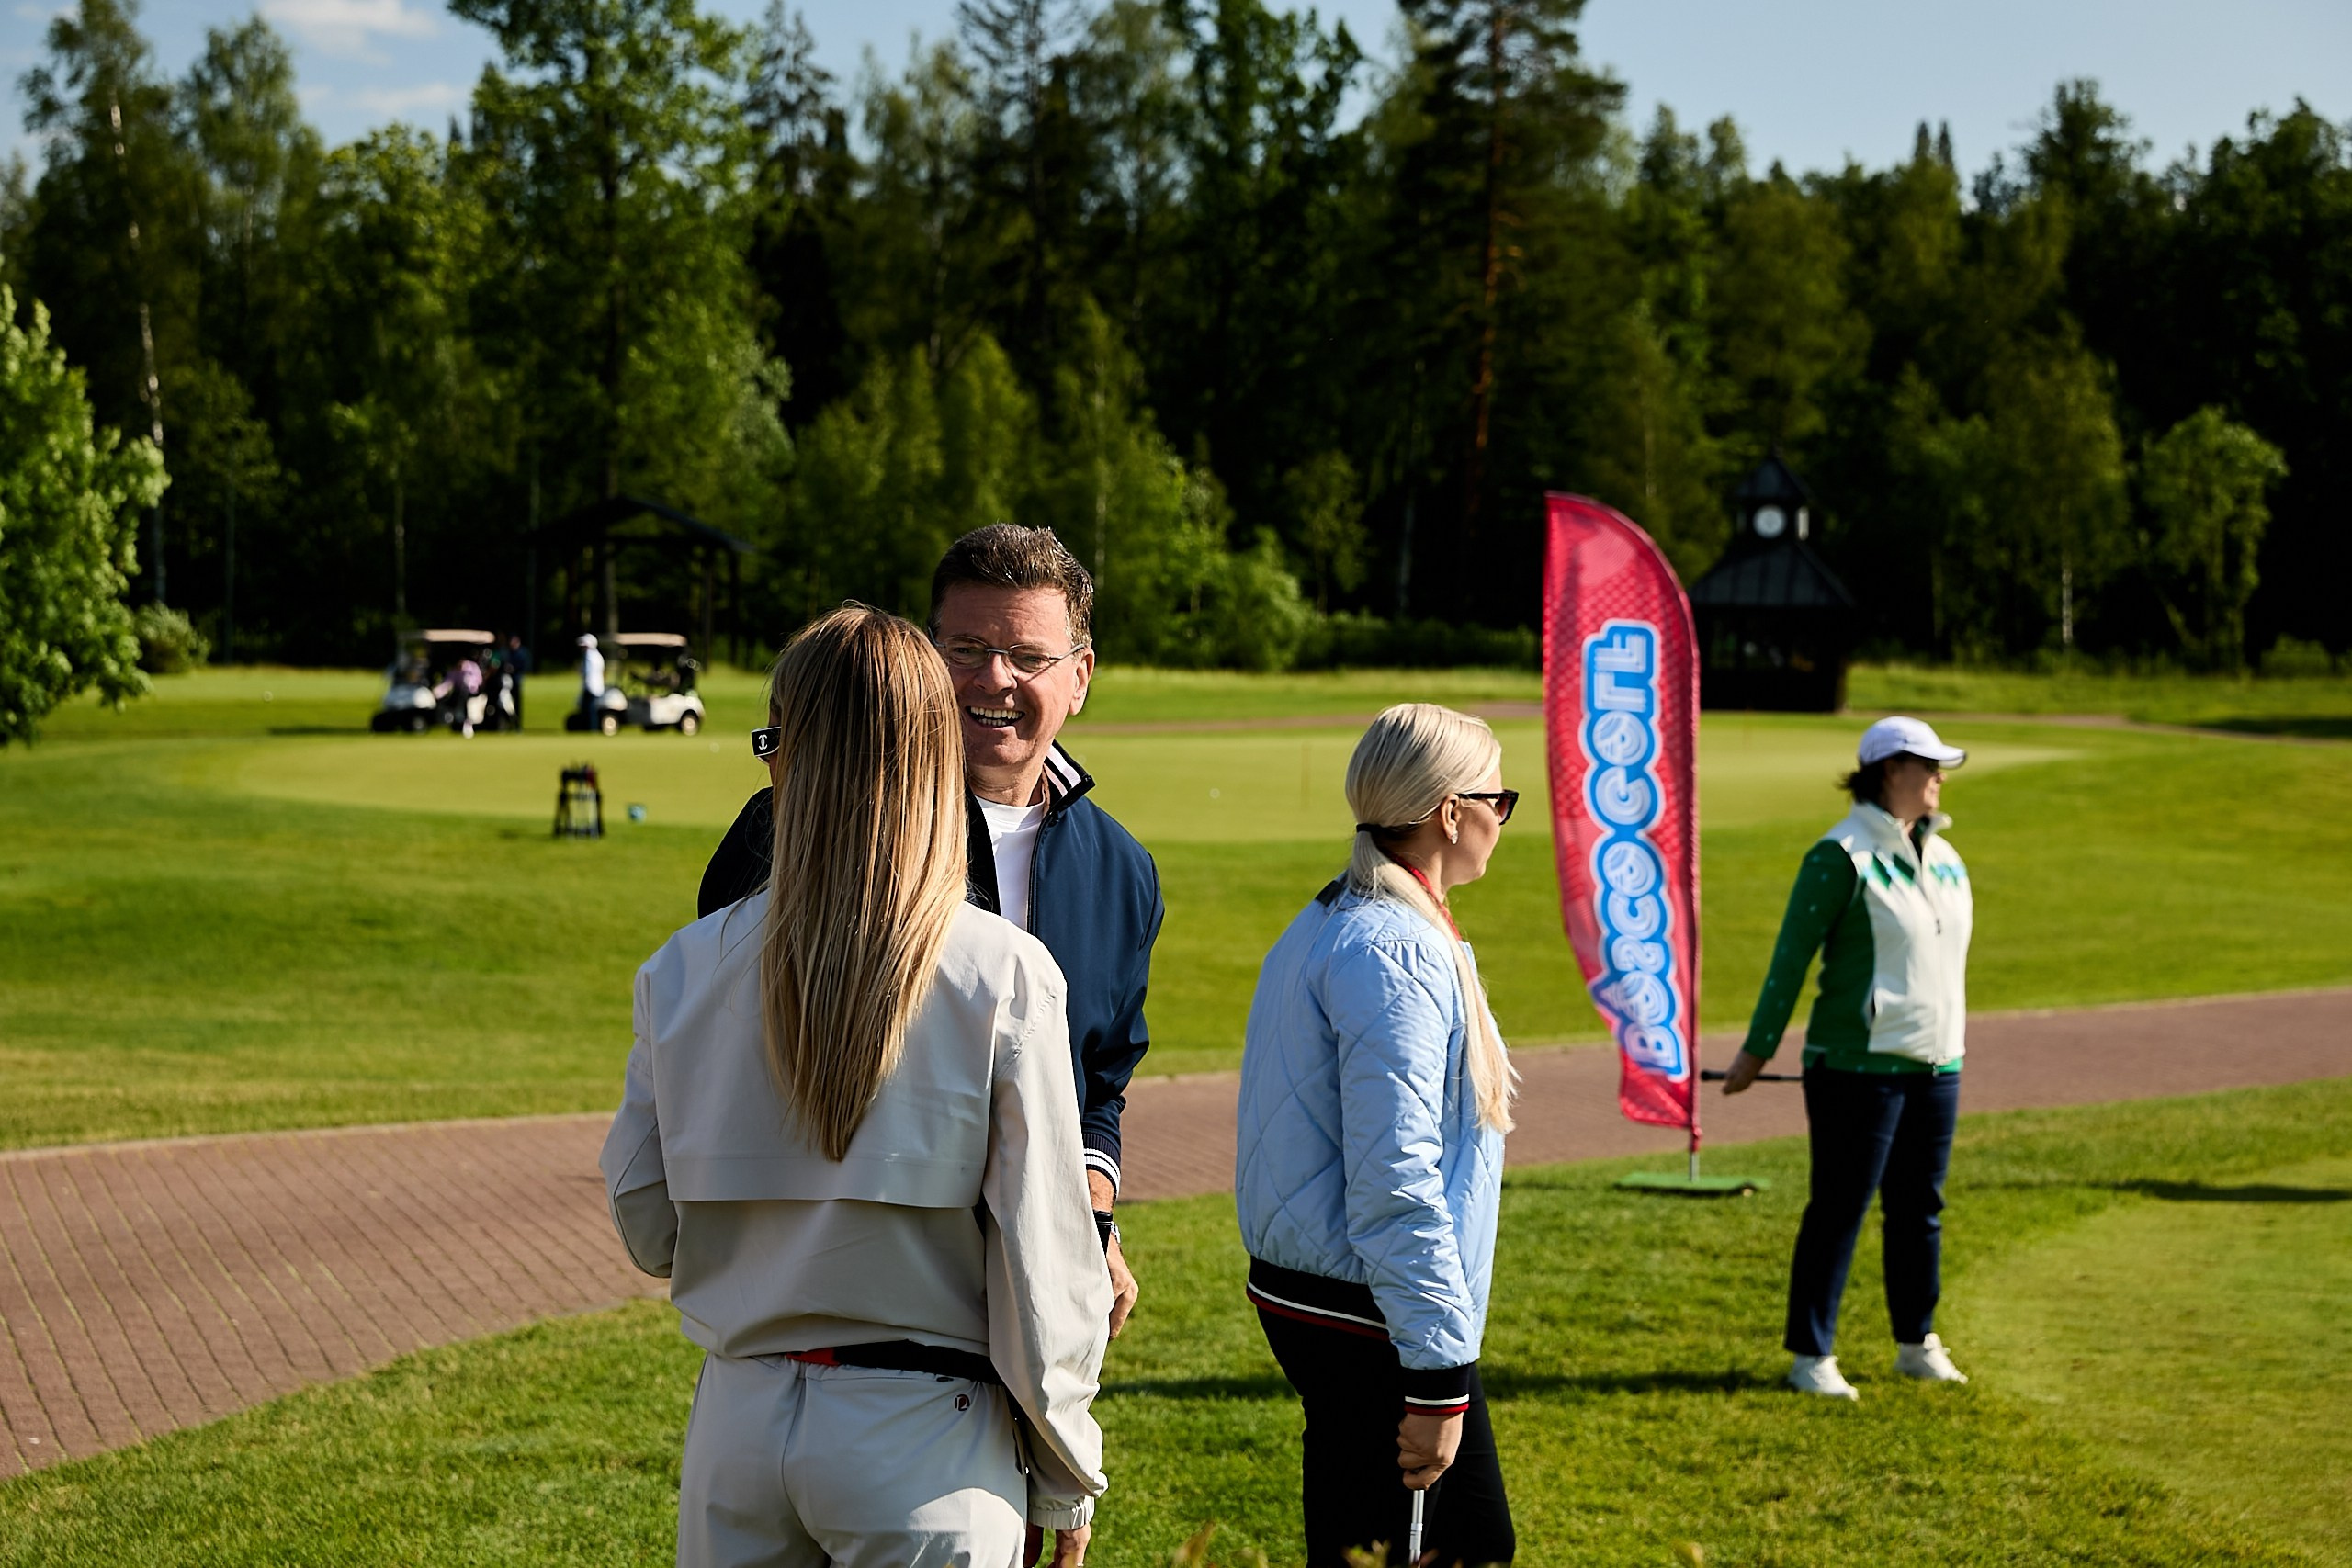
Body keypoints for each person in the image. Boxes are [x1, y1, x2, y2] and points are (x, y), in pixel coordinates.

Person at [601, 606, 1111, 1567]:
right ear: (931, 752)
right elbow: (1044, 1266)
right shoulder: (1002, 974)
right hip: (928, 1441)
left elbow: (645, 1220)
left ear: (786, 756)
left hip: (741, 1428)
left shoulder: (683, 967)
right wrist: (1066, 1469)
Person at [697, 525, 1162, 1338]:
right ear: (923, 655)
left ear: (1080, 676)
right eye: (966, 648)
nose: (995, 678)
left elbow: (1099, 1077)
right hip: (843, 1313)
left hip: (1034, 1302)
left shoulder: (1121, 869)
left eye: (1028, 656)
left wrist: (1092, 1218)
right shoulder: (793, 824)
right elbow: (723, 1043)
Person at [1235, 703, 1521, 1568]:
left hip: (1331, 1296)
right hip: (1369, 1313)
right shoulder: (1391, 946)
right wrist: (1437, 1378)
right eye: (1498, 799)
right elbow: (1396, 1175)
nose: (1501, 819)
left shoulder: (1338, 917)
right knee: (1469, 1545)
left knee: (1358, 1538)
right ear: (1449, 811)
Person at [1721, 715, 1975, 1402]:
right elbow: (1790, 960)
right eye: (1927, 766)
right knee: (1840, 1207)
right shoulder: (1840, 854)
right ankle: (1811, 1353)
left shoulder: (1946, 855)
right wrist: (1755, 1052)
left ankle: (1915, 1340)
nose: (1938, 778)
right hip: (1855, 1069)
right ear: (1890, 770)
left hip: (1935, 1064)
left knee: (1921, 1207)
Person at [577, 633, 605, 722]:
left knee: (590, 710)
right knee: (590, 709)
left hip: (591, 687)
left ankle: (591, 728)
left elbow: (587, 672)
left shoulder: (590, 656)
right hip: (595, 686)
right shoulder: (597, 655)